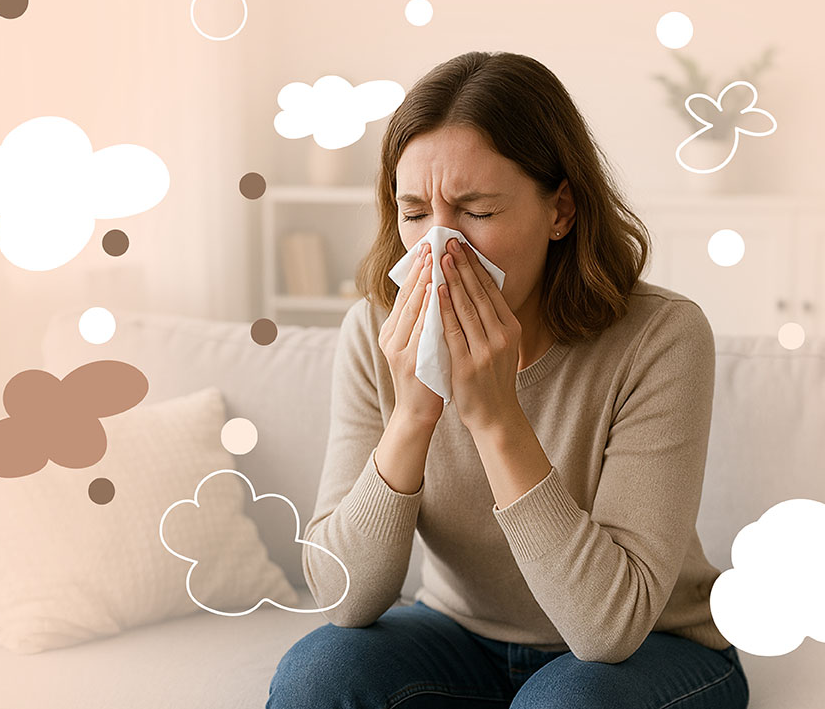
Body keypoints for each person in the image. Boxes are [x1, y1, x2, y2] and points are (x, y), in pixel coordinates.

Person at [267, 50, 748, 708]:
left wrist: (496, 419)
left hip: (650, 645)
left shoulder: (661, 337)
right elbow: (343, 597)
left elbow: (607, 628)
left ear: (560, 211)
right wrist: (411, 417)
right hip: (458, 633)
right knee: (317, 673)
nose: (439, 247)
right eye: (414, 213)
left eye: (477, 211)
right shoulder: (373, 333)